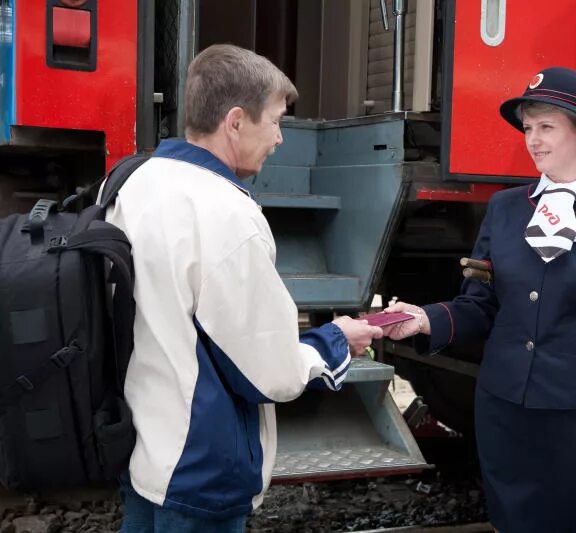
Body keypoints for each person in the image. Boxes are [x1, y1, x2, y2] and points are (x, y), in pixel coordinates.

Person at [104, 44, 384, 532]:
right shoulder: (229, 215)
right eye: (275, 120)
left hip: (143, 454)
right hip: (199, 473)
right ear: (235, 122)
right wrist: (334, 340)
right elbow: (269, 374)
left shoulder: (133, 180)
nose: (279, 137)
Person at [384, 66, 576, 532]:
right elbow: (481, 305)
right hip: (505, 416)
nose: (533, 140)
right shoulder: (507, 208)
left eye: (547, 126)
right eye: (528, 128)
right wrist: (425, 319)